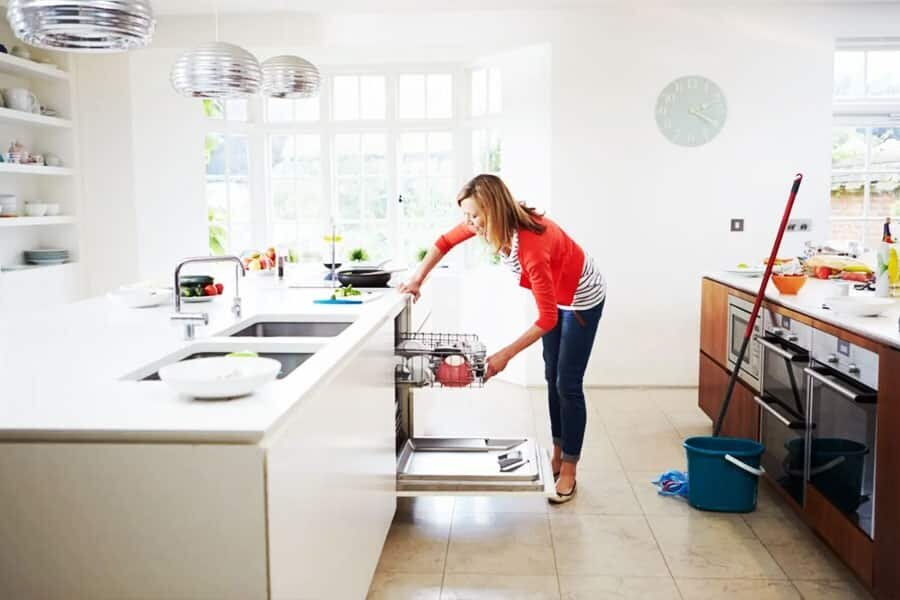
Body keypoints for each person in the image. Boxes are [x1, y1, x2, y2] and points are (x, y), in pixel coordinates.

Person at [399, 174, 605, 503]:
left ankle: (570, 469)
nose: (469, 223)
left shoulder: (532, 247)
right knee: (551, 376)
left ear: (493, 210)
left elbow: (547, 318)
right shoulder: (490, 223)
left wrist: (504, 355)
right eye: (466, 215)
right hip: (557, 298)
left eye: (474, 216)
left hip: (582, 299)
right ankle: (556, 452)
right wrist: (416, 280)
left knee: (567, 383)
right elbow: (443, 242)